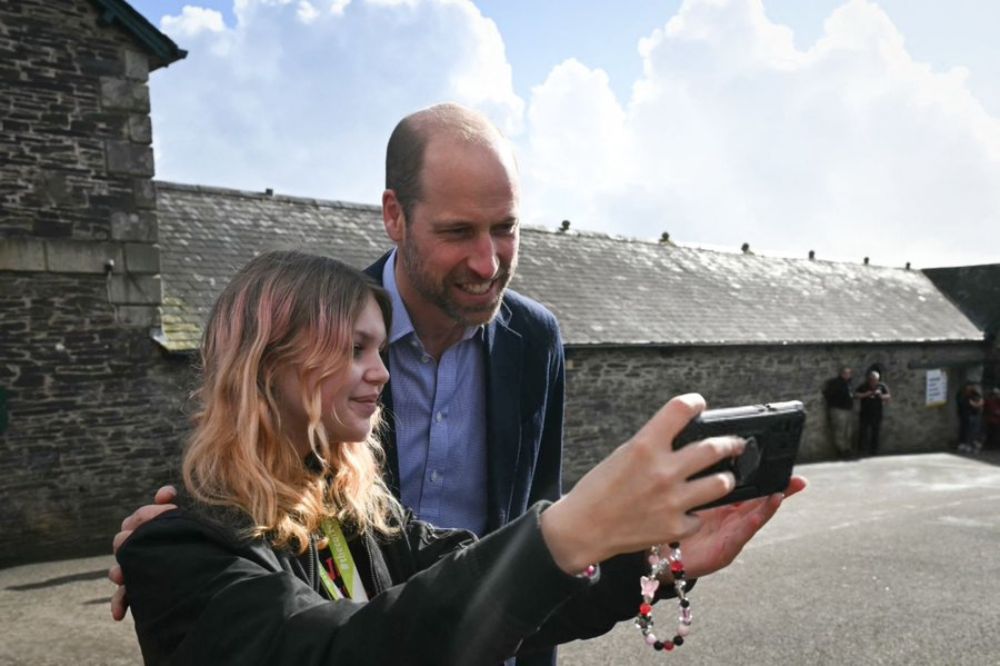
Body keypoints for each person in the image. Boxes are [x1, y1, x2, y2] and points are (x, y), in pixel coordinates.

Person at [114, 250, 805, 665]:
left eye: (380, 350)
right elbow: (338, 651)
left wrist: (657, 560)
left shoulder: (357, 511)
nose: (381, 372)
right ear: (266, 365)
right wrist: (570, 529)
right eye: (354, 349)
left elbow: (493, 593)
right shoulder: (175, 549)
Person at [111, 104, 565, 666]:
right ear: (395, 217)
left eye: (506, 227)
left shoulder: (535, 339)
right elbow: (324, 636)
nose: (487, 261)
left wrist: (634, 544)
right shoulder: (321, 307)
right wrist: (186, 541)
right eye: (456, 231)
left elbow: (529, 516)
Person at [855, 370, 890, 456]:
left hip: (877, 413)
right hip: (865, 413)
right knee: (863, 432)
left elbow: (888, 396)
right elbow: (856, 395)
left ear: (878, 380)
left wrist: (881, 395)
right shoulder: (863, 386)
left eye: (875, 380)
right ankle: (862, 450)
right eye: (871, 379)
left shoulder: (882, 386)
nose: (873, 381)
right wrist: (866, 394)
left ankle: (874, 451)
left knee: (876, 432)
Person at [822, 366, 854, 459]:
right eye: (847, 373)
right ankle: (841, 450)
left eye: (849, 373)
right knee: (840, 430)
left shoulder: (848, 383)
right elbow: (827, 394)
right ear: (842, 374)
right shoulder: (835, 383)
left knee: (848, 431)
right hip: (838, 409)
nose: (849, 375)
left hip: (847, 409)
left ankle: (847, 448)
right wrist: (836, 402)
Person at [956, 381, 984, 453]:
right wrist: (974, 404)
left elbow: (980, 401)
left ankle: (972, 445)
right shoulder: (962, 394)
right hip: (966, 415)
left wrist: (977, 404)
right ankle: (965, 444)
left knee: (974, 431)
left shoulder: (975, 393)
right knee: (966, 430)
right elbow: (964, 404)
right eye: (969, 386)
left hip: (975, 414)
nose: (971, 387)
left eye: (972, 386)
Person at [984, 387, 1000, 451]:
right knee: (992, 433)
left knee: (995, 433)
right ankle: (991, 446)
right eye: (997, 394)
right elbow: (991, 409)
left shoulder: (997, 400)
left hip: (996, 420)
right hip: (992, 420)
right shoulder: (989, 400)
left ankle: (993, 445)